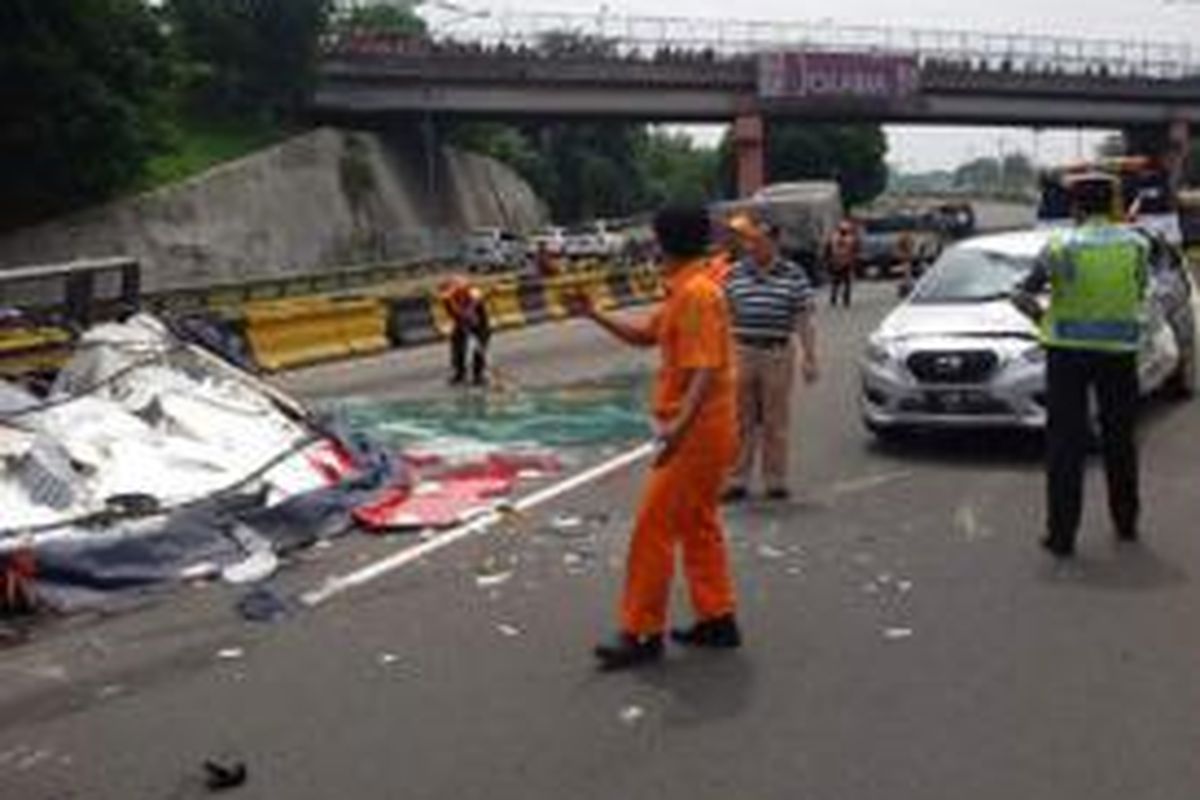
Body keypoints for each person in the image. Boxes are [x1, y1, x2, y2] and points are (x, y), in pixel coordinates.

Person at [569, 205, 741, 671]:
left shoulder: (698, 294)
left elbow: (704, 371)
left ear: (663, 243)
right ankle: (717, 616)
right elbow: (647, 337)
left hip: (697, 433)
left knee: (653, 529)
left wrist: (677, 432)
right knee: (698, 525)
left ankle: (642, 631)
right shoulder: (685, 290)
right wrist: (594, 315)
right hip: (702, 429)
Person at [1011, 174, 1148, 558]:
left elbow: (1020, 293)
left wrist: (1042, 319)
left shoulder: (1059, 246)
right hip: (1120, 351)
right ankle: (1126, 523)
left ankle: (1062, 536)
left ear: (1076, 207)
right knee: (1120, 440)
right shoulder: (1136, 246)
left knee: (1065, 446)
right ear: (1111, 205)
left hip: (1067, 352)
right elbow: (1139, 290)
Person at [722, 214, 819, 502]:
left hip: (777, 351)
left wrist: (810, 357)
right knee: (741, 420)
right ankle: (737, 478)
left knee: (775, 420)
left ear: (775, 242)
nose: (753, 246)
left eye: (760, 241)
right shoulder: (734, 274)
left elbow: (804, 318)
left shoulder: (794, 274)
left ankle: (775, 479)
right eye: (750, 241)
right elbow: (723, 315)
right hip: (742, 351)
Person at [440, 276, 490, 386]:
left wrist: (467, 317)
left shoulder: (473, 292)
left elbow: (473, 310)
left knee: (479, 348)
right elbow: (451, 312)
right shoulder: (448, 297)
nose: (449, 293)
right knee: (457, 346)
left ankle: (478, 375)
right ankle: (459, 373)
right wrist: (460, 321)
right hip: (461, 321)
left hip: (480, 322)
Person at [827, 220, 859, 307]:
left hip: (841, 262)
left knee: (842, 282)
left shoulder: (835, 238)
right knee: (840, 282)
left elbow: (854, 251)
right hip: (840, 262)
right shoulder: (849, 239)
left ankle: (842, 299)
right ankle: (839, 299)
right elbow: (855, 251)